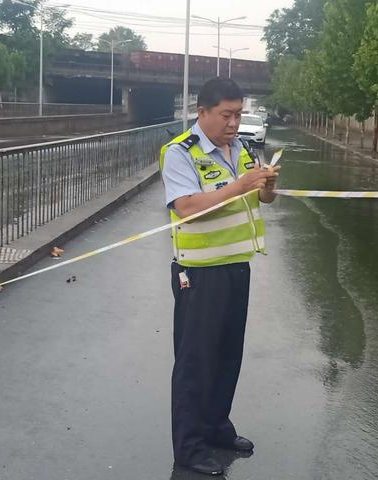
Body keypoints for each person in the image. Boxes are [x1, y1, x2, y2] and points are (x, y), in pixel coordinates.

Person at [160, 77, 279, 476]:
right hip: (200, 273)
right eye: (226, 115)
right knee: (196, 362)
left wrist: (266, 187)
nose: (233, 122)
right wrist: (239, 185)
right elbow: (186, 206)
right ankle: (189, 448)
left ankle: (217, 428)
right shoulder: (181, 153)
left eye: (238, 114)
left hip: (235, 265)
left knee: (228, 355)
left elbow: (260, 198)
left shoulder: (241, 149)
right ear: (202, 112)